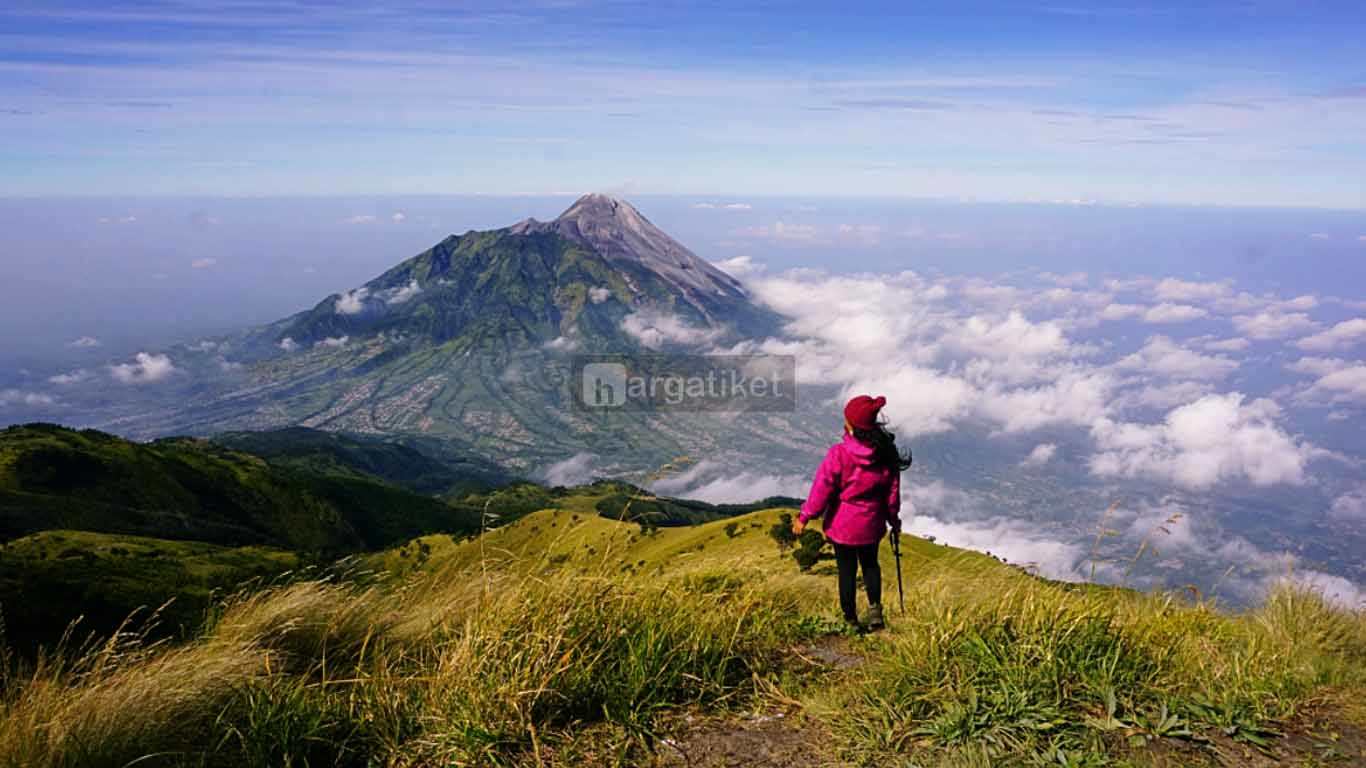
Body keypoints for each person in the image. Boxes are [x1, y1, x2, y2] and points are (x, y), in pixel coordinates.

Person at [793, 394, 911, 632]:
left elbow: (822, 488)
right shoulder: (886, 454)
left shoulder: (839, 454)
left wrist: (805, 517)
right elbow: (891, 495)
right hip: (872, 524)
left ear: (851, 425)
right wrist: (893, 520)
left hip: (843, 526)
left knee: (846, 572)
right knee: (870, 566)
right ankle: (876, 612)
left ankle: (851, 621)